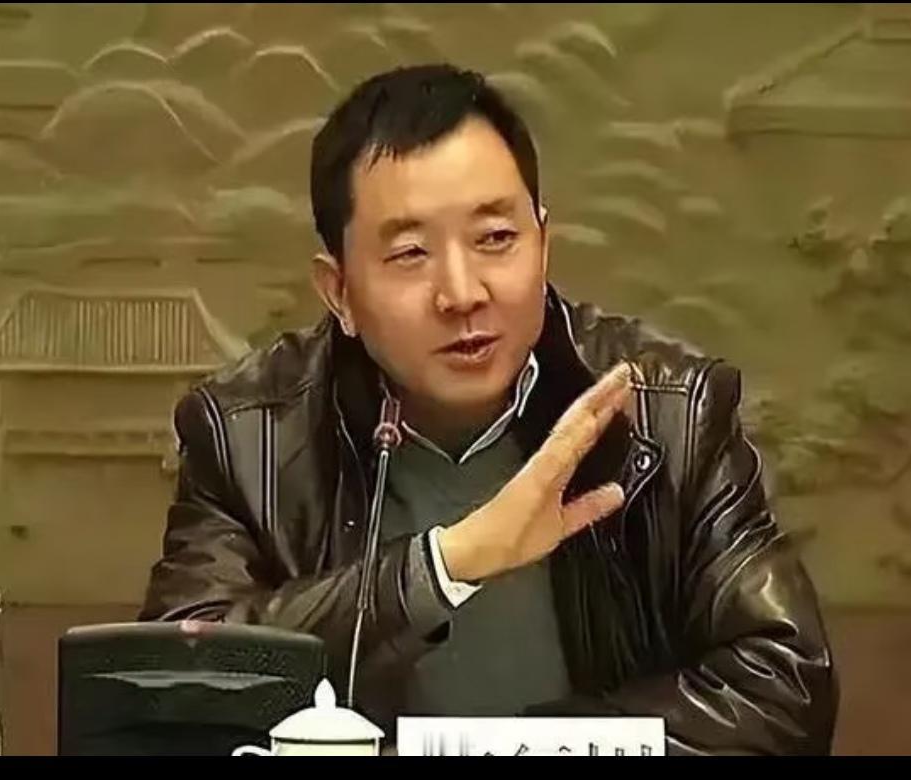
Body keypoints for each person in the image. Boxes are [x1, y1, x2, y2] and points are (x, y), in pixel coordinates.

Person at [140, 64, 837, 755]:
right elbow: (175, 699)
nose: (462, 292)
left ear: (543, 244)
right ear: (339, 291)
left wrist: (512, 748)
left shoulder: (671, 413)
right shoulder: (247, 435)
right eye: (410, 252)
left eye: (496, 239)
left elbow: (782, 690)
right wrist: (445, 565)